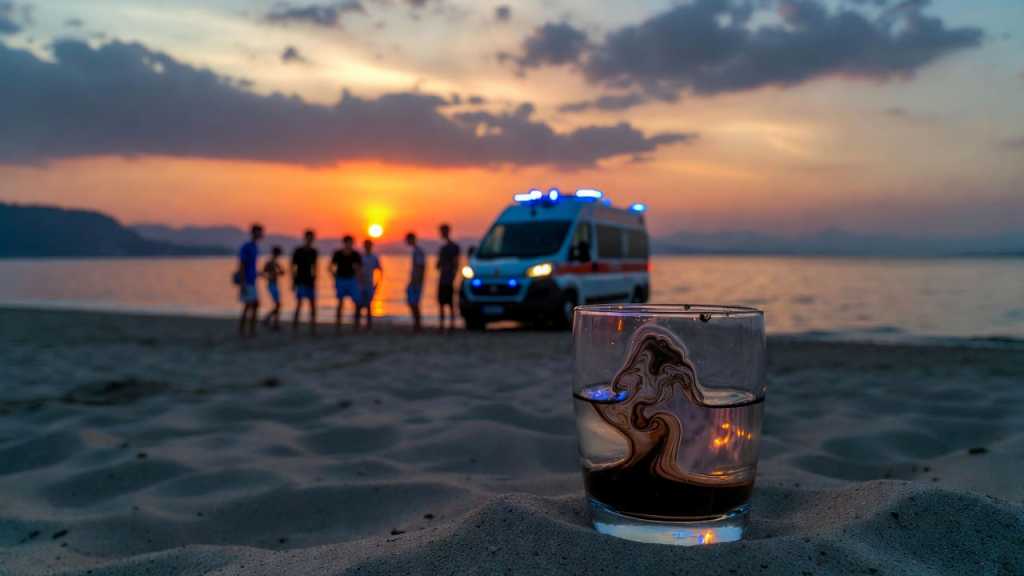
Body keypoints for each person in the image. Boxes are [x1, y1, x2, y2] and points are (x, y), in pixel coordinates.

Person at [330, 235, 362, 332]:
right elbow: (331, 266)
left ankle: (356, 326)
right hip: (341, 280)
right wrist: (335, 277)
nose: (349, 244)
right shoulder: (338, 254)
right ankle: (338, 326)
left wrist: (357, 279)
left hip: (351, 280)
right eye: (348, 242)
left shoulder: (355, 254)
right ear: (344, 243)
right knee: (340, 302)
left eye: (351, 242)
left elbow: (359, 268)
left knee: (356, 302)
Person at [237, 224, 263, 337]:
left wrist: (259, 273)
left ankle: (247, 330)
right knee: (251, 305)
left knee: (251, 306)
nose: (261, 234)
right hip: (247, 281)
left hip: (252, 280)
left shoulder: (255, 247)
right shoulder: (246, 247)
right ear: (253, 233)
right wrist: (242, 283)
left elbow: (252, 266)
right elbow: (242, 265)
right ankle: (246, 331)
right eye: (259, 232)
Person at [291, 230, 318, 334]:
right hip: (300, 280)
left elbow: (315, 267)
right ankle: (295, 327)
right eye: (308, 237)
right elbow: (293, 266)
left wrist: (315, 278)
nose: (310, 240)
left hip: (310, 281)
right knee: (299, 304)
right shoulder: (298, 251)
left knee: (312, 304)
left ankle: (313, 328)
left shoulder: (313, 252)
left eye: (311, 238)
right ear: (305, 238)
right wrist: (293, 281)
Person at [436, 223, 461, 331]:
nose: (441, 234)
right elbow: (439, 265)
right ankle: (445, 325)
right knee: (443, 303)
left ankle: (450, 325)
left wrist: (453, 276)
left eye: (442, 231)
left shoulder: (452, 247)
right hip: (444, 278)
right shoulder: (445, 247)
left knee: (448, 303)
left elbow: (456, 263)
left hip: (447, 279)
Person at [358, 238, 382, 330]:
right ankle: (358, 325)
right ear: (364, 246)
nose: (368, 247)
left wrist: (377, 284)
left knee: (368, 305)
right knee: (359, 305)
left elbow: (380, 270)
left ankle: (369, 326)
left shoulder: (374, 258)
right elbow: (356, 270)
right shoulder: (361, 257)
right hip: (361, 285)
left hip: (369, 285)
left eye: (369, 245)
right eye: (366, 245)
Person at [405, 232, 425, 332]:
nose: (407, 242)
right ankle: (416, 325)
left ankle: (417, 325)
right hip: (414, 282)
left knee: (414, 304)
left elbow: (421, 268)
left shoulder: (418, 251)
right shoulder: (416, 251)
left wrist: (416, 282)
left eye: (408, 239)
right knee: (412, 303)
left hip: (416, 283)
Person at [262, 246, 285, 331]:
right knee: (278, 304)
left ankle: (269, 320)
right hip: (271, 285)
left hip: (274, 284)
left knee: (278, 305)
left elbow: (282, 272)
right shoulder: (270, 262)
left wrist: (277, 272)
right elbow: (264, 273)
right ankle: (272, 322)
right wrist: (271, 275)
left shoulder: (275, 262)